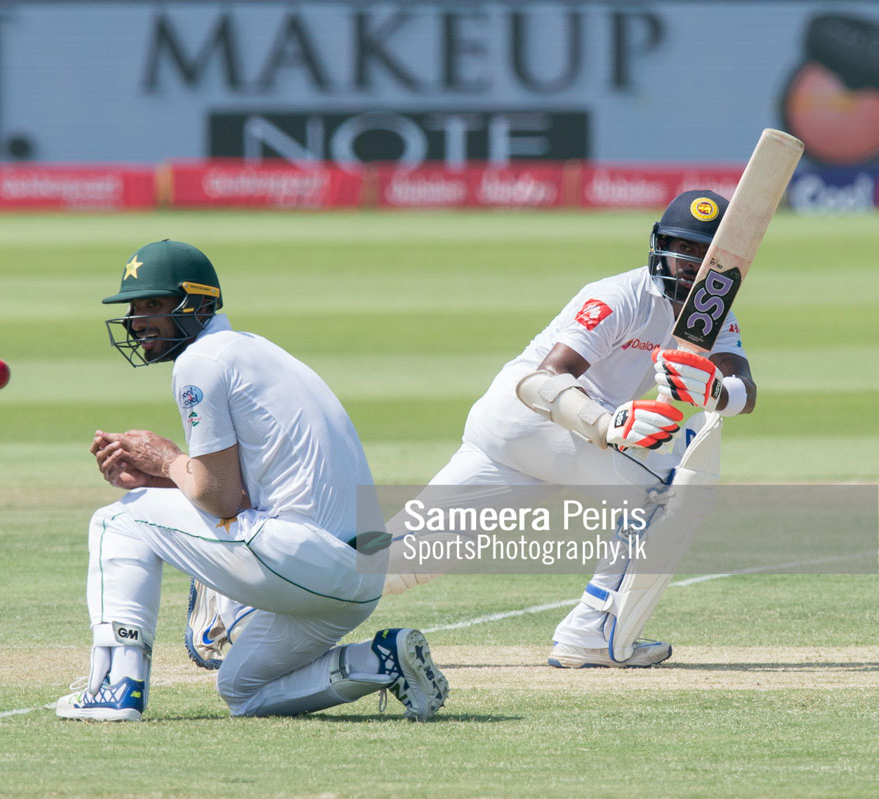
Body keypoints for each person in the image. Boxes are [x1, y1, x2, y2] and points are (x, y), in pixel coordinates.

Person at [189, 189, 756, 671]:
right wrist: (607, 424)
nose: (687, 262)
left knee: (405, 555)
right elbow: (542, 381)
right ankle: (595, 631)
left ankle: (235, 601)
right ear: (659, 246)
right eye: (679, 247)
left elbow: (743, 389)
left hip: (547, 437)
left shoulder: (710, 311)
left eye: (701, 253)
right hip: (534, 419)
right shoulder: (619, 296)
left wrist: (716, 394)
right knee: (672, 480)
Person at [55, 239, 449, 722]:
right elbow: (238, 493)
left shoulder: (200, 362)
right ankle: (379, 660)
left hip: (301, 557)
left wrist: (166, 458)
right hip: (359, 579)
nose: (138, 321)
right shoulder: (254, 351)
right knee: (242, 689)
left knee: (118, 521)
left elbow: (220, 500)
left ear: (199, 304)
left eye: (153, 305)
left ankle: (118, 687)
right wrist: (163, 477)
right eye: (134, 308)